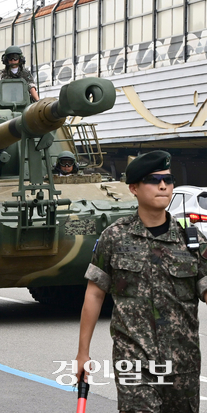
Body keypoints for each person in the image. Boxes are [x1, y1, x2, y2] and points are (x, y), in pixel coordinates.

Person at [75, 150, 207, 413]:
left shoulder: (192, 242)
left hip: (183, 362)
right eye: (153, 180)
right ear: (133, 188)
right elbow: (95, 294)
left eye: (168, 180)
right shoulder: (114, 237)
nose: (163, 186)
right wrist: (83, 354)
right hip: (133, 360)